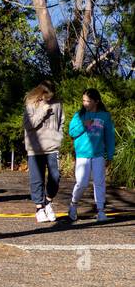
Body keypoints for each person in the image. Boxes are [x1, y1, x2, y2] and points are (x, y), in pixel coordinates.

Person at [66, 88, 115, 223]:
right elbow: (72, 132)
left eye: (88, 101)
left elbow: (109, 136)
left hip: (99, 154)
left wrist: (109, 155)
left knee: (99, 182)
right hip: (82, 154)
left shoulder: (105, 116)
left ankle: (100, 211)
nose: (85, 103)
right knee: (81, 182)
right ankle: (73, 205)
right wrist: (84, 124)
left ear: (96, 101)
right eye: (83, 100)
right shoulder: (79, 115)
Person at [22, 80, 63, 223]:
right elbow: (28, 124)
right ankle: (39, 207)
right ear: (41, 92)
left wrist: (59, 137)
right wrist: (42, 111)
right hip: (35, 148)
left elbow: (61, 122)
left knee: (55, 177)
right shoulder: (31, 103)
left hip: (52, 147)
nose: (50, 99)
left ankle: (47, 201)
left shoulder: (58, 103)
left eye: (52, 96)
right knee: (36, 179)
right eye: (48, 96)